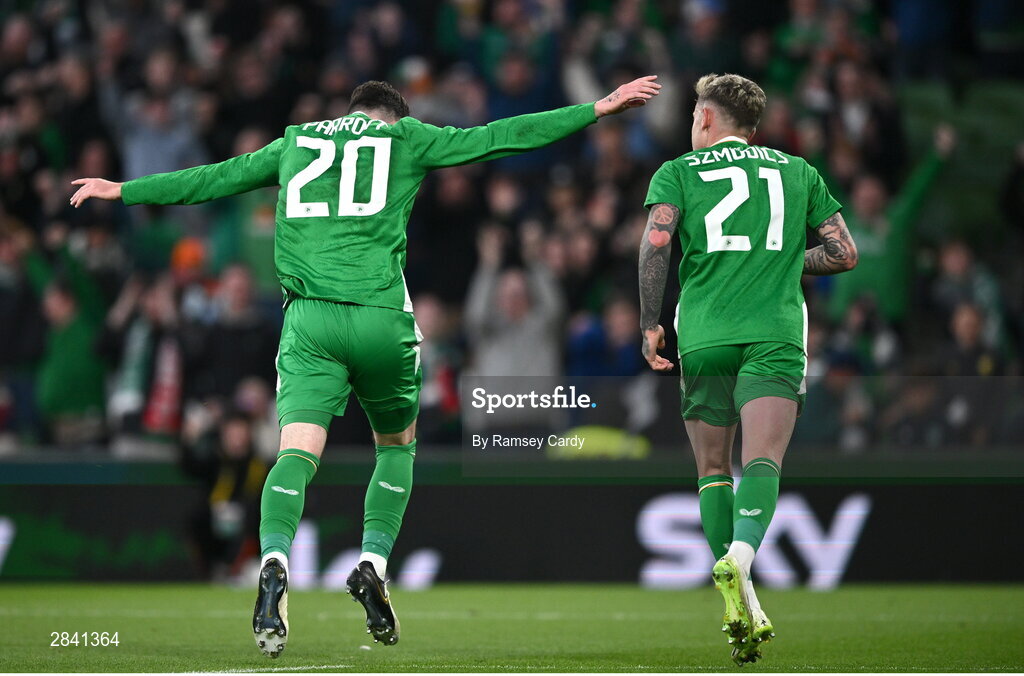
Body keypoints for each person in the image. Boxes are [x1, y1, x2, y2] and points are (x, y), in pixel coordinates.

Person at [69, 75, 661, 657]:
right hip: (379, 315)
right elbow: (499, 136)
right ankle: (373, 563)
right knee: (396, 448)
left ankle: (272, 558)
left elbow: (211, 180)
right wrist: (596, 109)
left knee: (295, 453)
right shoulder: (407, 139)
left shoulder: (296, 141)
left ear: (350, 110)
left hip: (309, 322)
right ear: (395, 116)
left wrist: (122, 189)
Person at [637, 73, 857, 665]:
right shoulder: (798, 171)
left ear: (706, 119)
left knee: (713, 467)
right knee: (763, 459)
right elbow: (844, 252)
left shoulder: (679, 172)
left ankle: (743, 598)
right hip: (774, 335)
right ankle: (743, 557)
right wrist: (783, 258)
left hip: (703, 336)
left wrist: (650, 322)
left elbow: (656, 245)